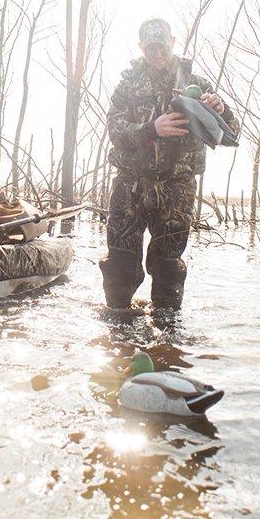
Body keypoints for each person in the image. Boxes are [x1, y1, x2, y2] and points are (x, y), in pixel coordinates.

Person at [100, 18, 238, 310]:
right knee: (120, 262)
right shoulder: (127, 84)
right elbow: (115, 129)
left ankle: (167, 336)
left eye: (162, 47)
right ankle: (119, 326)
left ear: (172, 43)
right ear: (141, 48)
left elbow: (229, 135)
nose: (157, 54)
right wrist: (151, 129)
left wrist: (222, 109)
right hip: (132, 184)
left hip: (177, 188)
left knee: (168, 267)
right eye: (151, 49)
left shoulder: (197, 85)